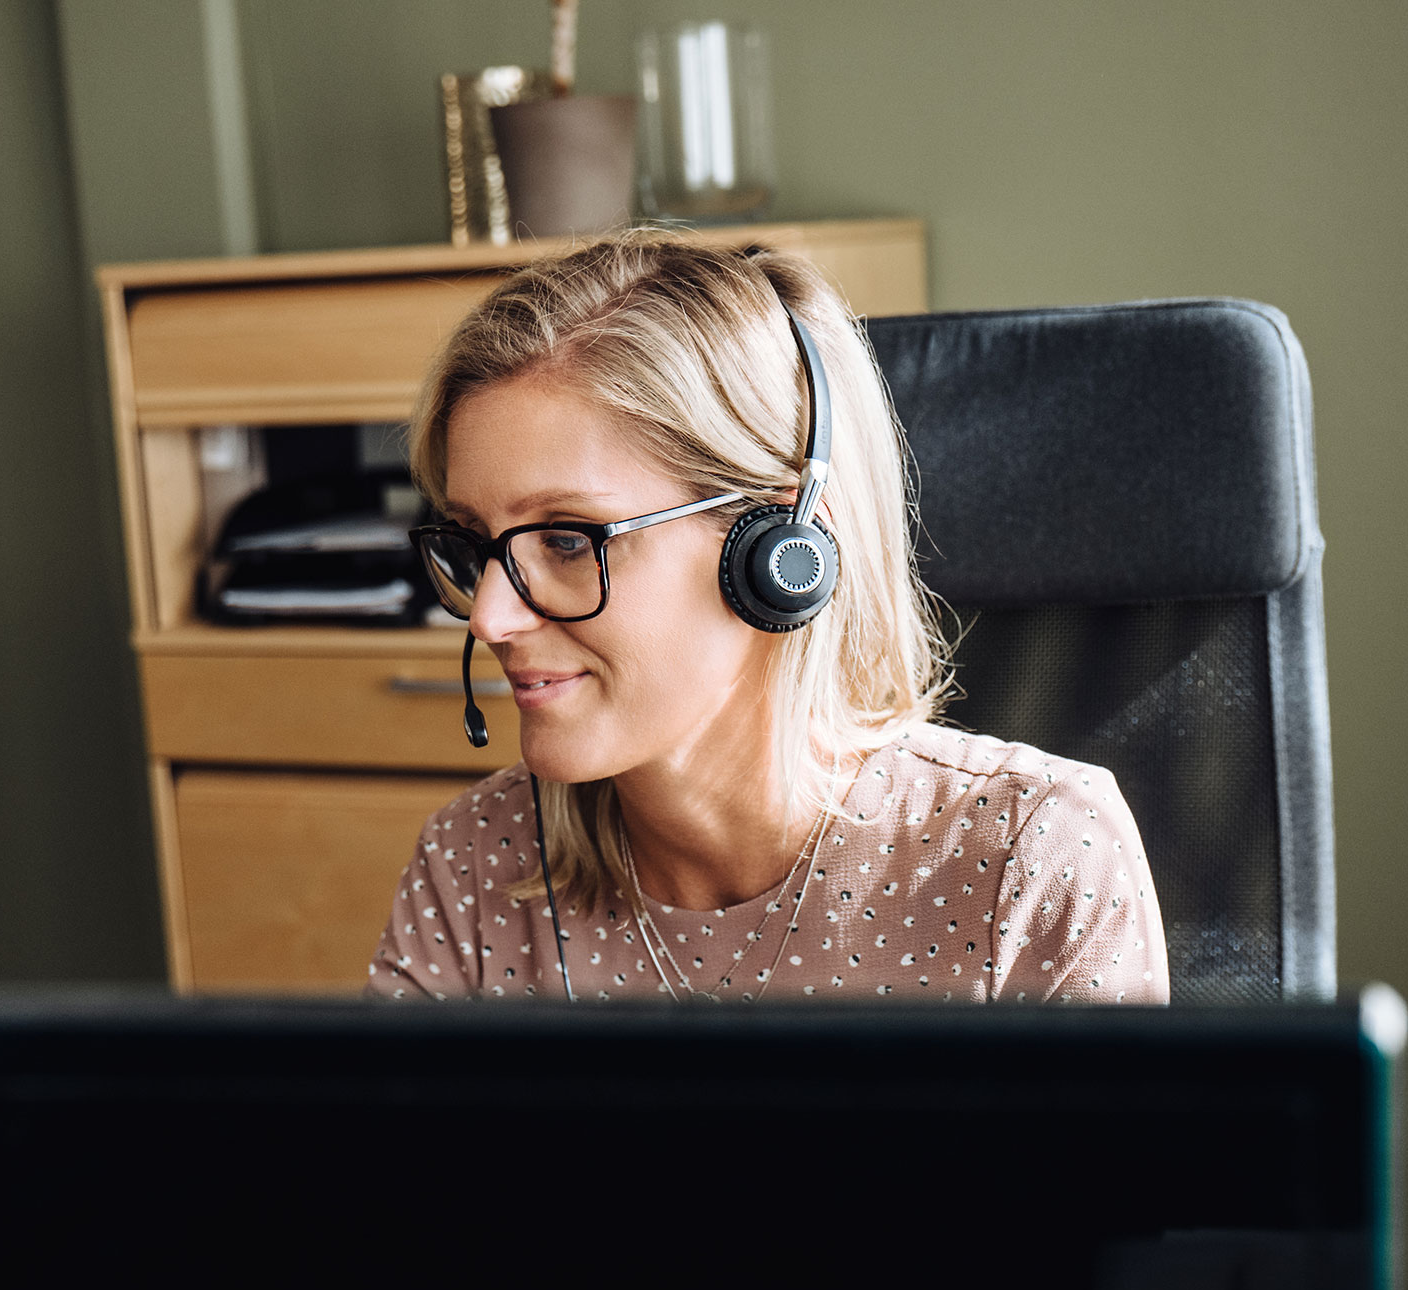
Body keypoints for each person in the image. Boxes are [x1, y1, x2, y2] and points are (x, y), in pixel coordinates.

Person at [368, 234, 1167, 1004]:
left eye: (569, 541)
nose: (490, 616)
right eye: (476, 546)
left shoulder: (1032, 857)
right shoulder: (473, 867)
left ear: (777, 550)